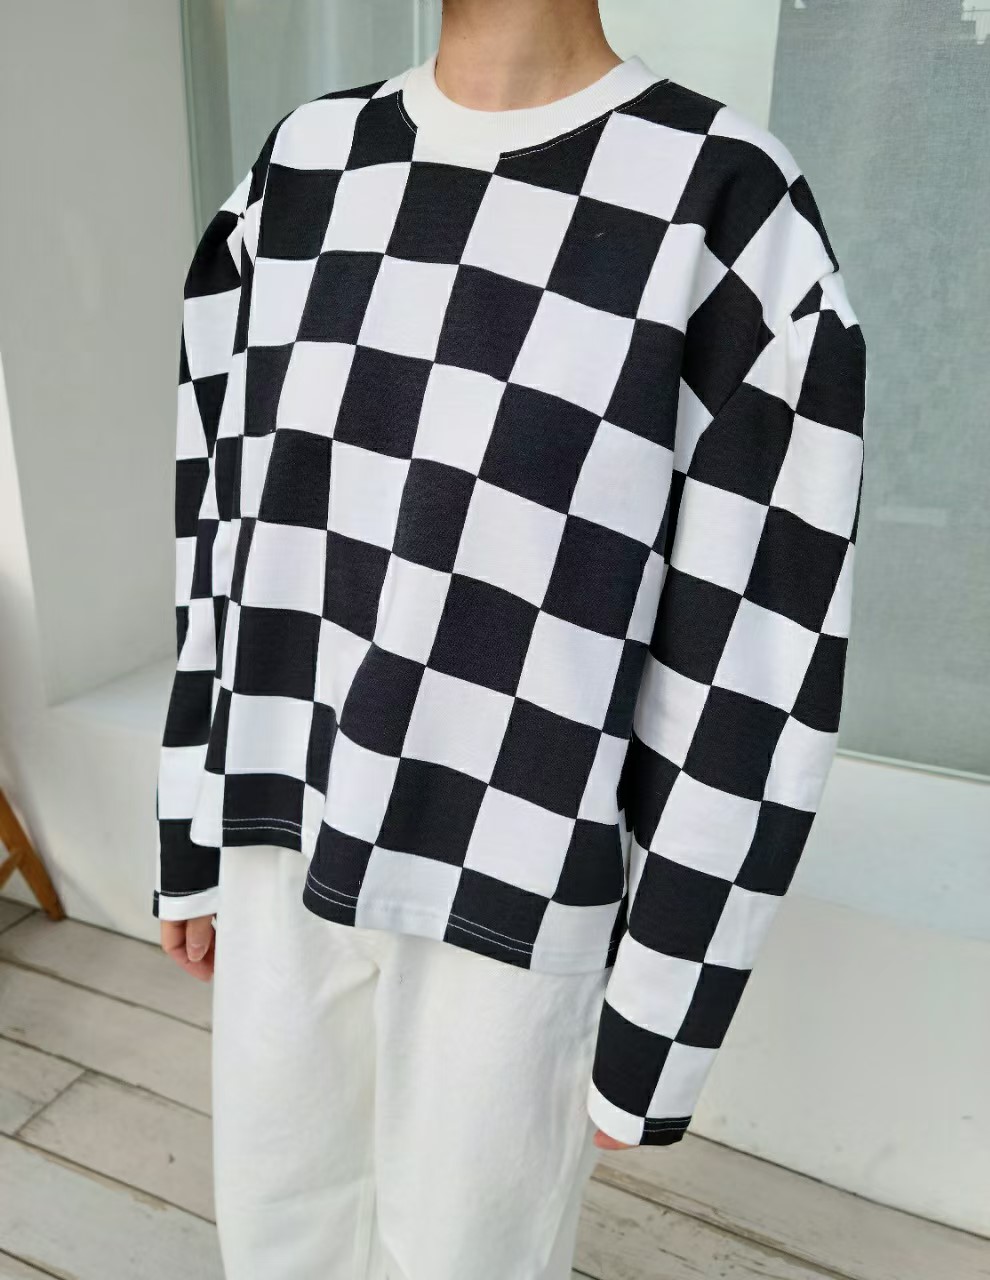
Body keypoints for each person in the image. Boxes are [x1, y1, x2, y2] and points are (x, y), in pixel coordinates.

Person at [155, 0, 868, 1276]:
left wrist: (661, 1008)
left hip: (521, 875)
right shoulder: (303, 167)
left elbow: (759, 645)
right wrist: (189, 827)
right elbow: (220, 516)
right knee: (274, 1235)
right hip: (282, 828)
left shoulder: (721, 201)